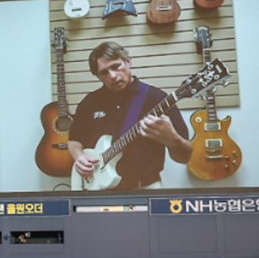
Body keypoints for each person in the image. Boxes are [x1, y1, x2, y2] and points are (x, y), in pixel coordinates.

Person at [69, 41, 192, 190]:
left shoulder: (157, 99)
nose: (113, 76)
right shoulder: (88, 103)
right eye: (104, 72)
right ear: (98, 76)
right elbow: (74, 141)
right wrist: (79, 157)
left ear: (128, 62)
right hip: (99, 191)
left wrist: (173, 140)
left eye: (116, 67)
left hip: (146, 189)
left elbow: (184, 157)